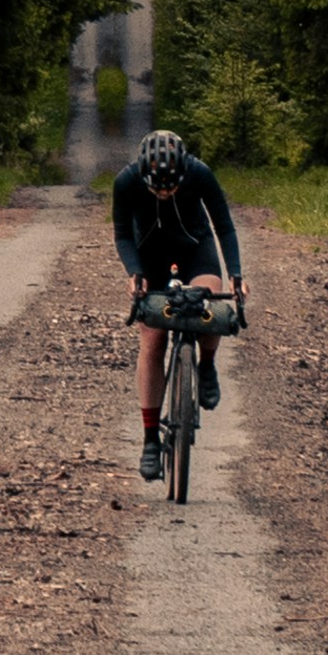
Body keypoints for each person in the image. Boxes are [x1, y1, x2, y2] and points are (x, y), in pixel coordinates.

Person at [109, 126, 243, 481]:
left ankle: (207, 364)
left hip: (195, 250)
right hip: (149, 258)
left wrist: (237, 276)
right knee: (152, 340)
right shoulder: (126, 182)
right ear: (145, 176)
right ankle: (151, 439)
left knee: (210, 307)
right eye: (158, 188)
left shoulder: (199, 173)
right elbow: (122, 235)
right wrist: (134, 273)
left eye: (172, 186)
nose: (166, 193)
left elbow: (225, 228)